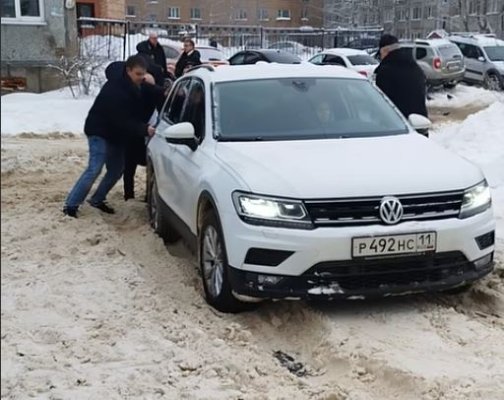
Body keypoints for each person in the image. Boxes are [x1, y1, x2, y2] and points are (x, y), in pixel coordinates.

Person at [63, 55, 157, 218]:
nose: (142, 77)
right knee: (95, 168)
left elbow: (152, 90)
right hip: (99, 131)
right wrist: (144, 129)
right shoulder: (115, 89)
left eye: (144, 74)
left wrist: (168, 91)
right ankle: (70, 205)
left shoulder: (135, 84)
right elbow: (121, 119)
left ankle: (97, 200)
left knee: (116, 170)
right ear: (128, 71)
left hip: (116, 135)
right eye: (138, 74)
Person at [123, 72, 166, 201]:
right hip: (134, 138)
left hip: (152, 139)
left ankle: (148, 196)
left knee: (151, 169)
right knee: (129, 166)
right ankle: (129, 195)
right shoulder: (132, 98)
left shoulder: (157, 100)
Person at [375, 34, 428, 122]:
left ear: (385, 51)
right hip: (419, 122)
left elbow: (381, 102)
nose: (380, 57)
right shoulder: (415, 67)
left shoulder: (385, 71)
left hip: (396, 124)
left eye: (380, 54)